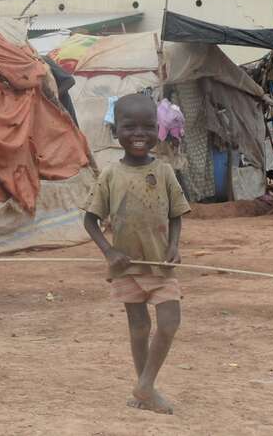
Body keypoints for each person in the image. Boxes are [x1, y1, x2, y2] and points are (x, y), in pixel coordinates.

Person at [83, 93, 190, 415]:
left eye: (147, 126)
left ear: (158, 129)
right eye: (130, 127)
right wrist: (109, 251)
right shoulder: (110, 175)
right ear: (116, 131)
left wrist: (173, 246)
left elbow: (175, 213)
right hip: (126, 267)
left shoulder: (166, 172)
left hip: (160, 266)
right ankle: (147, 391)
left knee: (170, 323)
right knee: (139, 327)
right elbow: (90, 220)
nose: (139, 133)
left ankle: (145, 384)